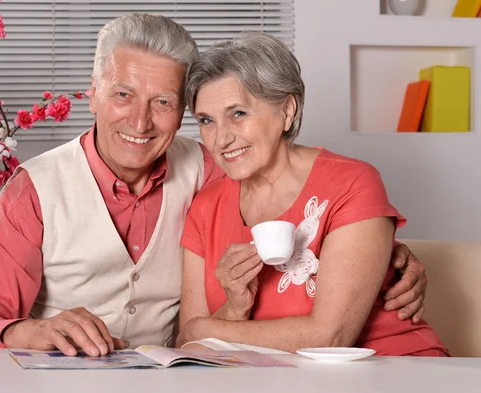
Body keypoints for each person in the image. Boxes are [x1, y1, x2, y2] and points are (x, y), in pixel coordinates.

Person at [0, 14, 429, 358]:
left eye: (164, 103)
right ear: (91, 93)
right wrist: (30, 332)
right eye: (123, 94)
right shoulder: (36, 190)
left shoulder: (209, 166)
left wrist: (389, 254)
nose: (140, 121)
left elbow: (301, 199)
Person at [176, 32, 448, 356]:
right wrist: (233, 309)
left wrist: (203, 329)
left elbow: (330, 338)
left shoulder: (352, 183)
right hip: (274, 379)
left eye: (238, 113)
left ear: (287, 111)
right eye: (207, 120)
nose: (220, 139)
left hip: (394, 368)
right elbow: (189, 346)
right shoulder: (205, 207)